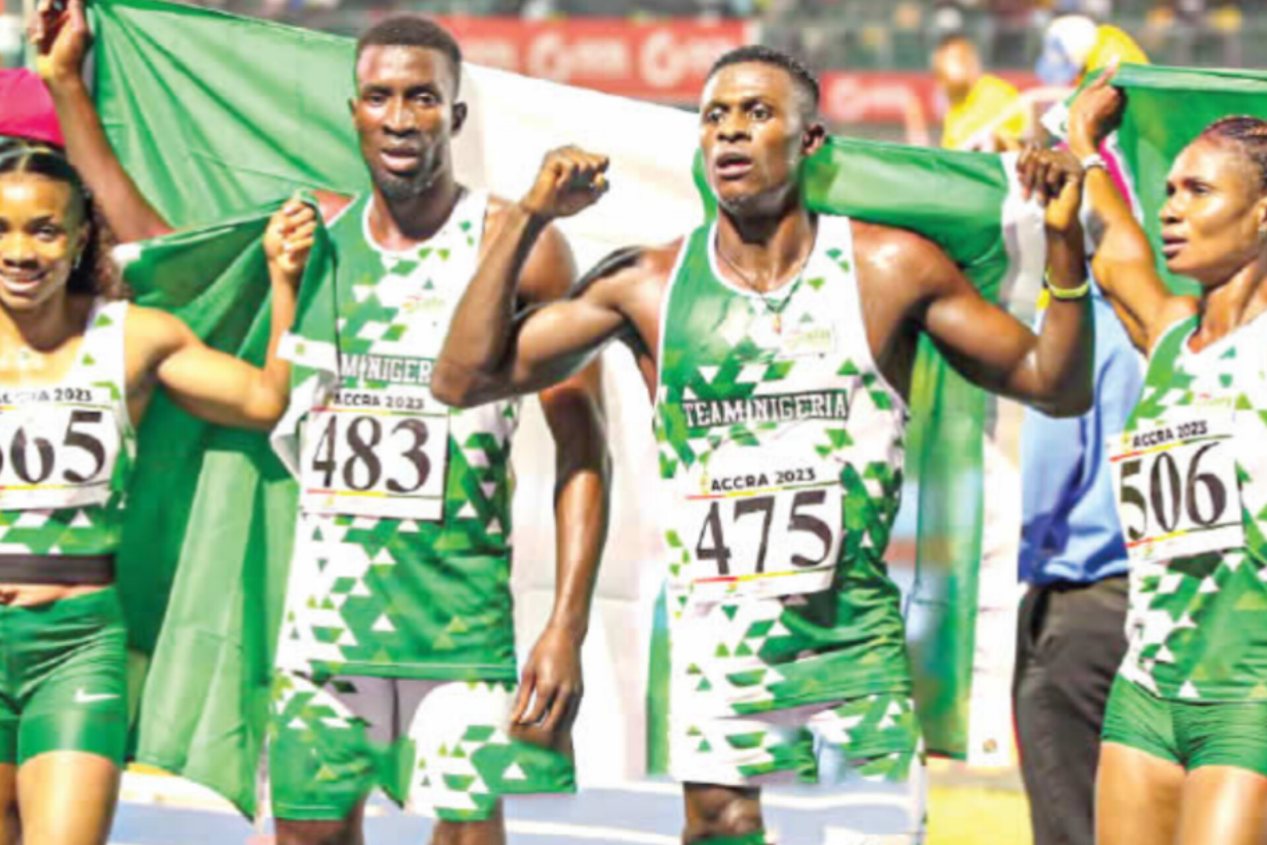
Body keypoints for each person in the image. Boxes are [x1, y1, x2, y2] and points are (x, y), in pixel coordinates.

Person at [432, 44, 1094, 845]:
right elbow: (461, 378)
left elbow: (1052, 383)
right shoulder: (648, 283)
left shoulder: (887, 267)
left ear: (809, 139)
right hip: (718, 652)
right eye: (714, 116)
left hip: (853, 648)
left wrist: (1064, 247)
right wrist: (528, 218)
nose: (731, 131)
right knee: (720, 825)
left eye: (756, 113)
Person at [33, 6, 609, 845]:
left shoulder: (523, 248)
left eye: (422, 98)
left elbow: (584, 449)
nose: (399, 118)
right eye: (379, 98)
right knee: (309, 838)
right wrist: (64, 83)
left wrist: (566, 625)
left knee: (468, 835)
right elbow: (160, 245)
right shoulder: (317, 238)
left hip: (459, 628)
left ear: (454, 115)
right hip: (324, 627)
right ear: (353, 113)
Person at [0, 144, 310, 845]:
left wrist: (283, 280)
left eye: (44, 230)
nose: (21, 252)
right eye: (3, 230)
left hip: (74, 646)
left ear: (80, 237)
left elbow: (266, 401)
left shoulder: (132, 337)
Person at [1067, 72, 1267, 845]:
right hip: (1145, 692)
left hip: (1248, 693)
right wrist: (1084, 145)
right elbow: (1116, 250)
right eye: (1170, 189)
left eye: (1198, 191)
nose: (1170, 209)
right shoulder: (1169, 339)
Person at [1013, 281, 1143, 845]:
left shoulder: (1078, 328)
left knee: (1071, 815)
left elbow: (1050, 465)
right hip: (1164, 597)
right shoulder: (1178, 331)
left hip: (1080, 601)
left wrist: (1019, 556)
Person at [931, 33, 1026, 151]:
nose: (941, 81)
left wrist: (995, 140)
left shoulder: (995, 93)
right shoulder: (954, 112)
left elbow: (1017, 142)